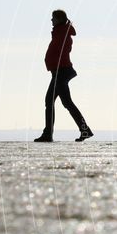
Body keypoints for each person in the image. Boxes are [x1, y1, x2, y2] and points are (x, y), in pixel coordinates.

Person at [33, 9, 93, 142]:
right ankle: (84, 130)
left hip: (61, 71)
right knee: (60, 102)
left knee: (58, 102)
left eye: (53, 18)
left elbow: (61, 51)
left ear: (59, 19)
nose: (51, 20)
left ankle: (49, 134)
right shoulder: (60, 32)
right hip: (59, 72)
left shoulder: (63, 33)